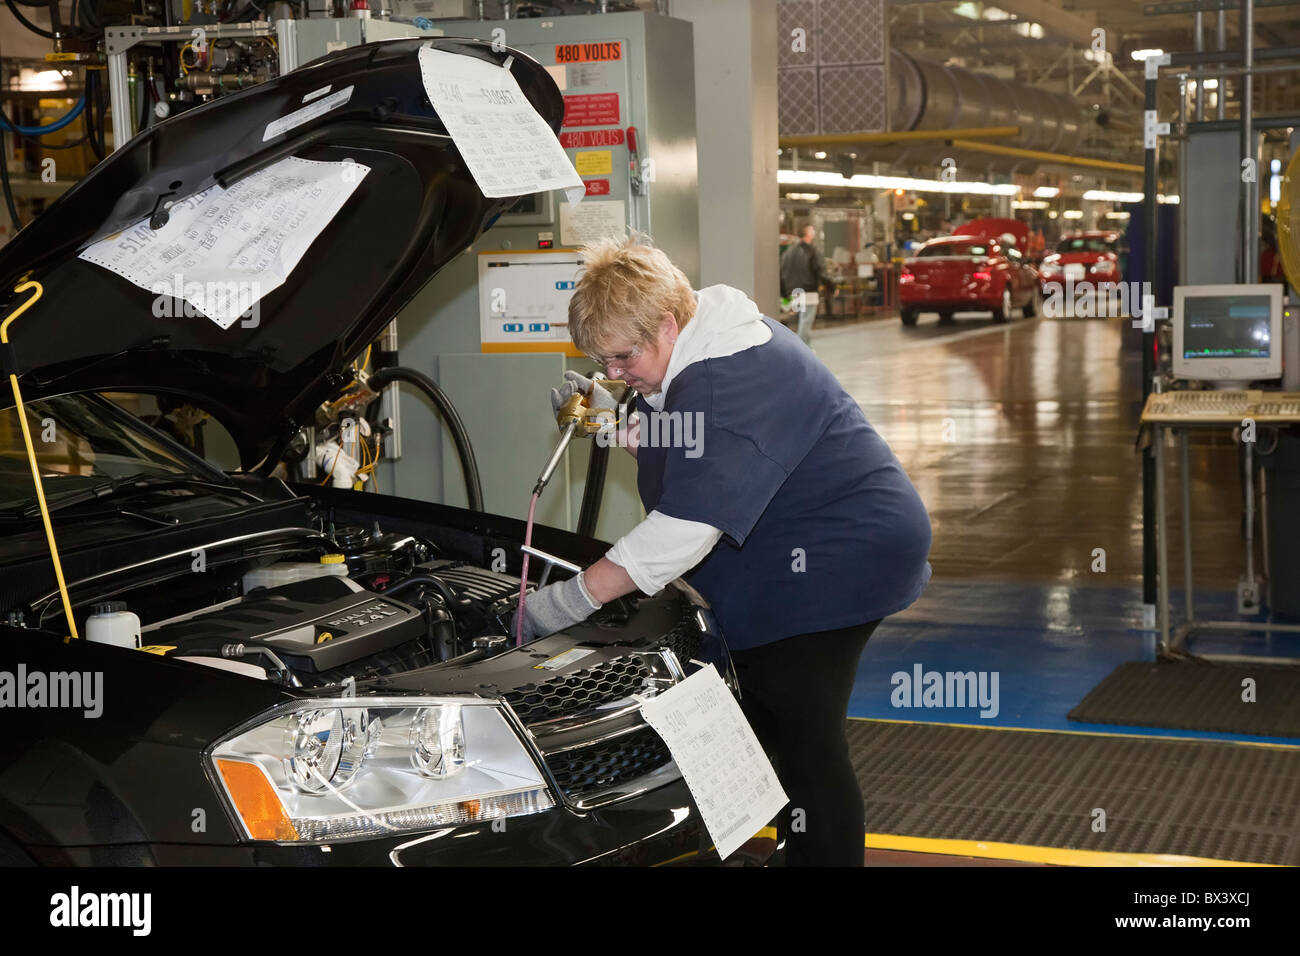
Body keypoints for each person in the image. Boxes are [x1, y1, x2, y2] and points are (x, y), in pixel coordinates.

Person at [518, 234, 933, 866]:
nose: (614, 374)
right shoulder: (705, 329)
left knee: (804, 740)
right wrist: (610, 421)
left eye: (623, 358)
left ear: (665, 323)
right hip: (793, 544)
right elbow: (681, 435)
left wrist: (565, 602)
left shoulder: (723, 381)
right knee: (757, 719)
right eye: (602, 364)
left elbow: (681, 529)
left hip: (838, 557)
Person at [779, 224, 831, 347]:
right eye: (812, 229)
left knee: (799, 321)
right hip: (808, 292)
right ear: (807, 232)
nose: (814, 231)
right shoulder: (812, 251)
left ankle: (802, 347)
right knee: (805, 322)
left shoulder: (789, 252)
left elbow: (781, 272)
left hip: (793, 292)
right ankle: (803, 348)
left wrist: (784, 294)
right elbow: (821, 271)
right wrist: (832, 286)